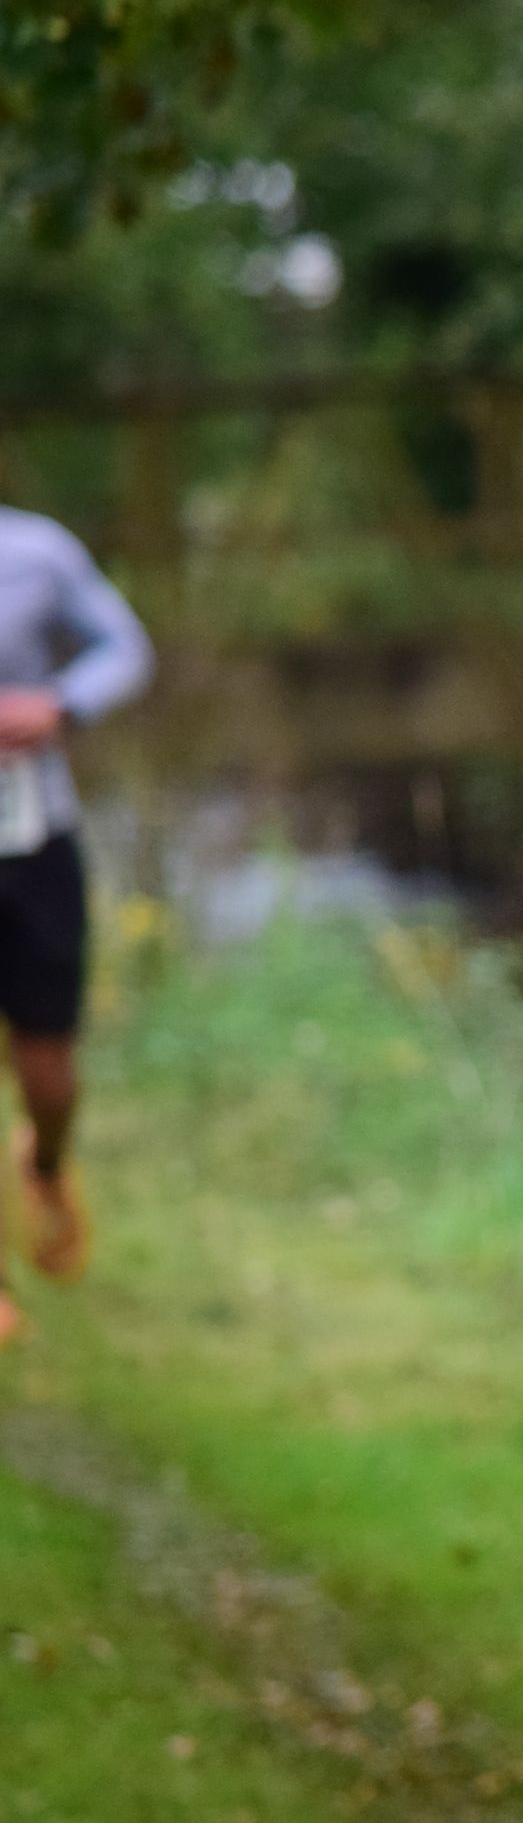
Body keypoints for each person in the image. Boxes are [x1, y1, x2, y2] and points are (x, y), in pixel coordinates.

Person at [0, 504, 155, 1348]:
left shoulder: (35, 550)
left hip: (33, 842)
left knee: (47, 1074)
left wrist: (60, 704)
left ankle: (47, 1162)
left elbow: (125, 648)